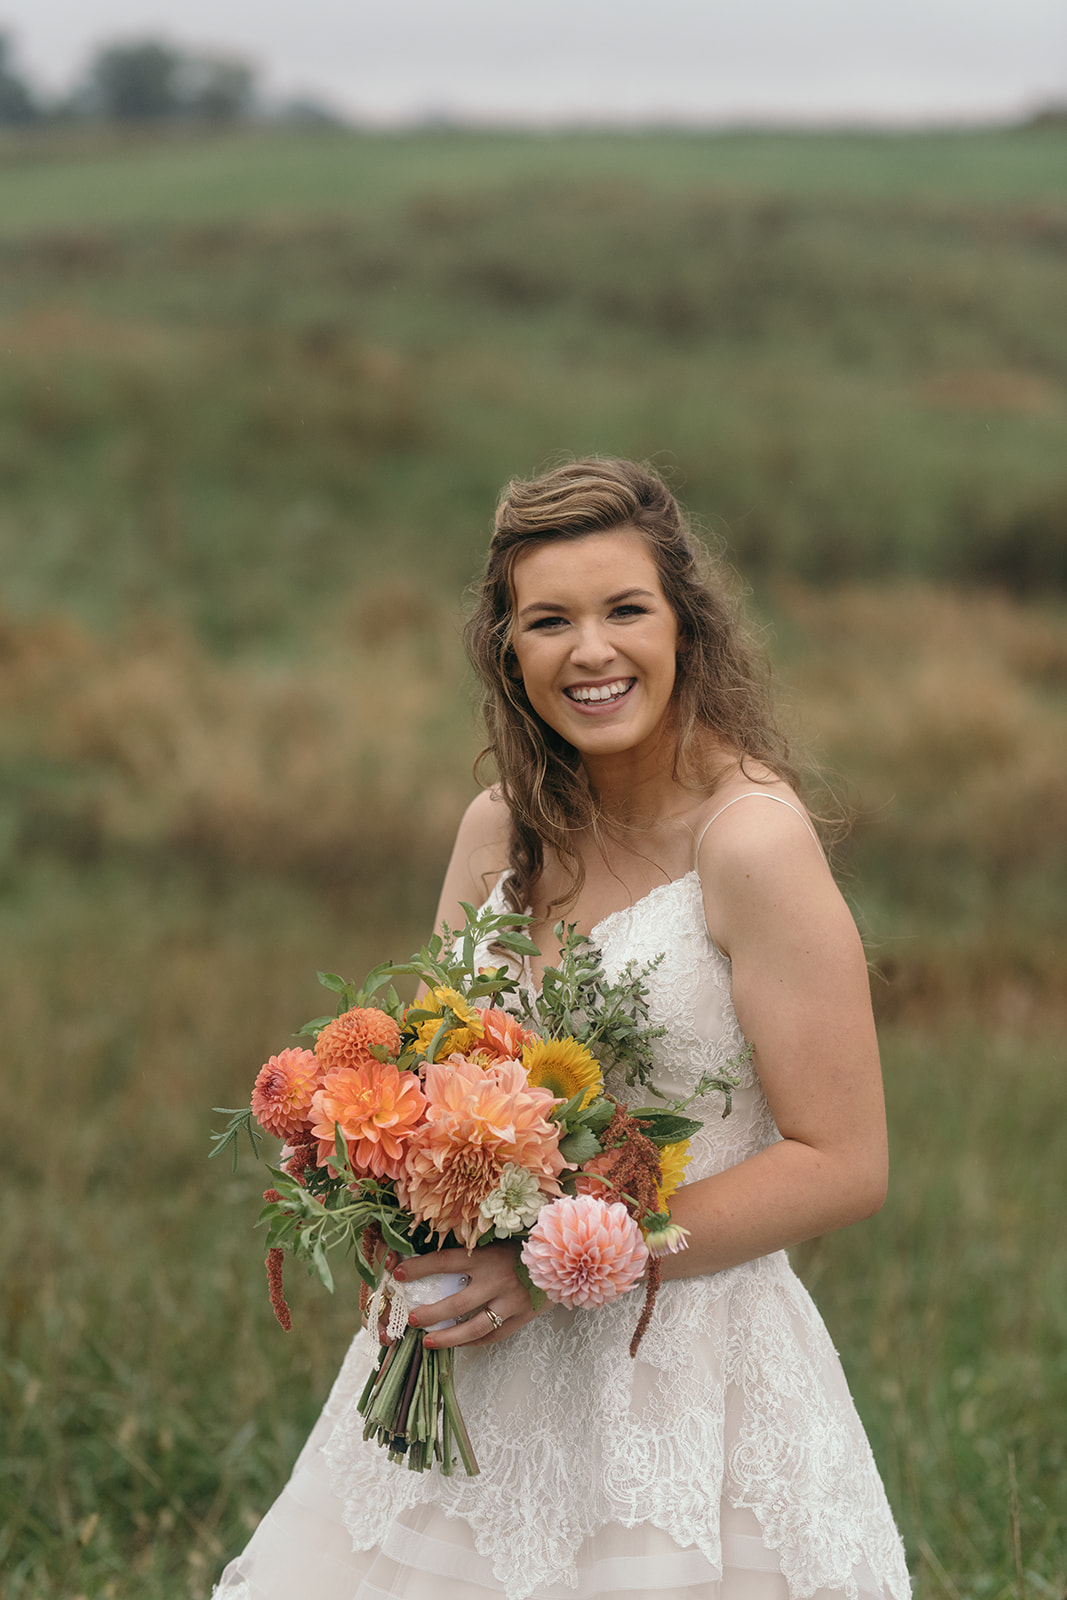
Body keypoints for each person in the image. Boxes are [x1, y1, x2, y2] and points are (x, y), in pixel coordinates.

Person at [215, 459, 911, 1600]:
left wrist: (563, 1266)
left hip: (679, 1382)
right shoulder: (496, 832)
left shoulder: (750, 844)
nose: (590, 652)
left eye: (623, 610)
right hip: (472, 1378)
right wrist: (393, 1198)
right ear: (507, 648)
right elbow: (431, 1067)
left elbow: (843, 1163)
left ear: (684, 623)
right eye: (548, 621)